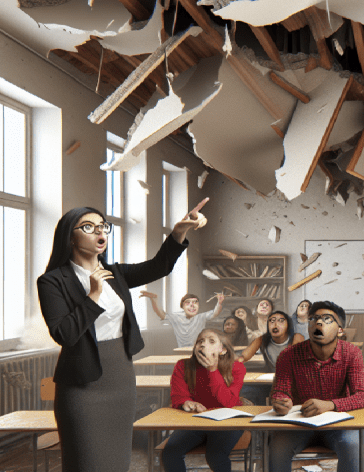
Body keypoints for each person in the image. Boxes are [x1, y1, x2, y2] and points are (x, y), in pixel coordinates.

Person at [37, 198, 207, 472]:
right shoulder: (52, 281)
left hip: (120, 378)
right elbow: (65, 334)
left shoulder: (115, 273)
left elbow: (158, 267)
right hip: (82, 385)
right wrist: (93, 295)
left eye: (102, 226)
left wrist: (178, 233)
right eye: (88, 227)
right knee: (86, 463)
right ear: (70, 237)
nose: (100, 232)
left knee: (117, 461)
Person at [268, 301, 364, 472]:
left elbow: (362, 396)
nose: (319, 322)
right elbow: (280, 390)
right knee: (277, 446)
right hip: (299, 424)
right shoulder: (288, 355)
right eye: (314, 318)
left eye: (327, 319)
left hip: (337, 424)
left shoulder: (352, 353)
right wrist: (280, 401)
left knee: (353, 444)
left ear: (340, 330)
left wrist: (330, 405)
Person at [163, 328, 246, 472]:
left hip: (228, 421)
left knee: (215, 456)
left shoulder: (237, 367)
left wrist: (213, 370)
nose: (202, 344)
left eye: (211, 341)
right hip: (196, 421)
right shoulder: (183, 365)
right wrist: (186, 402)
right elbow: (178, 395)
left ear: (223, 350)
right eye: (200, 341)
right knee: (170, 453)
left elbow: (228, 402)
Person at [237, 310, 303, 405]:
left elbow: (291, 359)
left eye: (281, 321)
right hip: (271, 381)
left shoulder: (296, 337)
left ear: (288, 325)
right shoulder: (262, 339)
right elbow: (244, 356)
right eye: (272, 321)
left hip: (292, 382)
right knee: (247, 390)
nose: (275, 324)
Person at [140, 290, 224, 348]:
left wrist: (219, 303)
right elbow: (161, 314)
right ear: (182, 307)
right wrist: (153, 300)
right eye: (188, 303)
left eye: (195, 302)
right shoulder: (177, 318)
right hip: (181, 351)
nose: (192, 305)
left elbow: (215, 312)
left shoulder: (201, 317)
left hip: (199, 350)